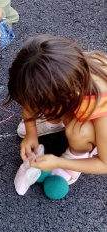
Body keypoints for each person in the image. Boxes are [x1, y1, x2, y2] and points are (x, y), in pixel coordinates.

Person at [6, 34, 107, 184]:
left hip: (99, 124)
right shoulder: (63, 71)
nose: (33, 110)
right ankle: (56, 122)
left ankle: (77, 155)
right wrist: (31, 132)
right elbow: (27, 100)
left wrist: (59, 162)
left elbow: (104, 164)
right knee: (40, 99)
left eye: (41, 108)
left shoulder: (100, 102)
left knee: (80, 132)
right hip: (72, 100)